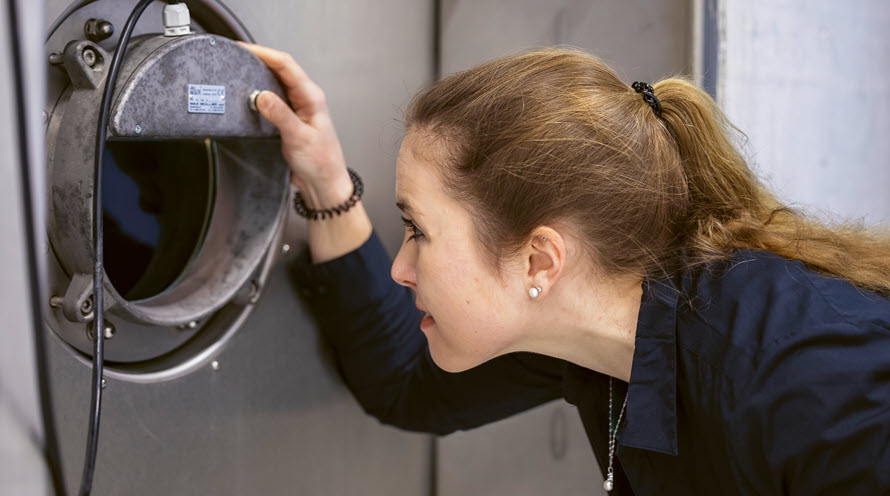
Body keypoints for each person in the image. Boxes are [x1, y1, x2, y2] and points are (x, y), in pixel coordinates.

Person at [240, 42, 890, 495]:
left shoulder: (799, 373)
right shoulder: (597, 346)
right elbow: (406, 381)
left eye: (418, 231)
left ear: (540, 260)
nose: (401, 269)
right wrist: (325, 184)